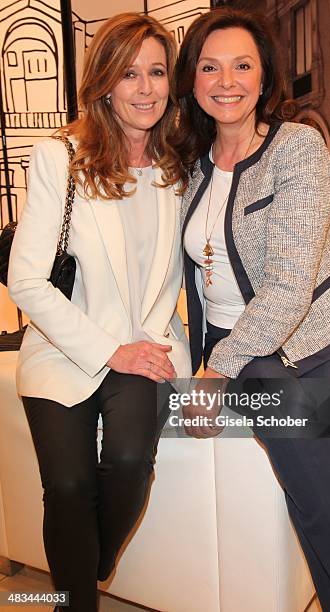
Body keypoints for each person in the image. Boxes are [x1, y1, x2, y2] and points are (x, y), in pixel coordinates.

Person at [175, 7, 330, 611]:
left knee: (309, 477)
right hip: (248, 352)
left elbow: (290, 286)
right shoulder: (188, 170)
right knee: (302, 443)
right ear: (193, 81)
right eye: (210, 67)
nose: (228, 81)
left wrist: (213, 369)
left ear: (264, 75)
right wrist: (215, 354)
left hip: (320, 338)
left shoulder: (296, 147)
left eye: (243, 65)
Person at [8, 12, 191, 612]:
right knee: (67, 486)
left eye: (157, 72)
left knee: (132, 462)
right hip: (67, 346)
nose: (145, 89)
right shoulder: (61, 155)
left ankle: (84, 568)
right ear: (104, 82)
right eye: (129, 73)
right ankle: (75, 598)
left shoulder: (177, 165)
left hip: (143, 347)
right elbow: (27, 280)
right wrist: (109, 349)